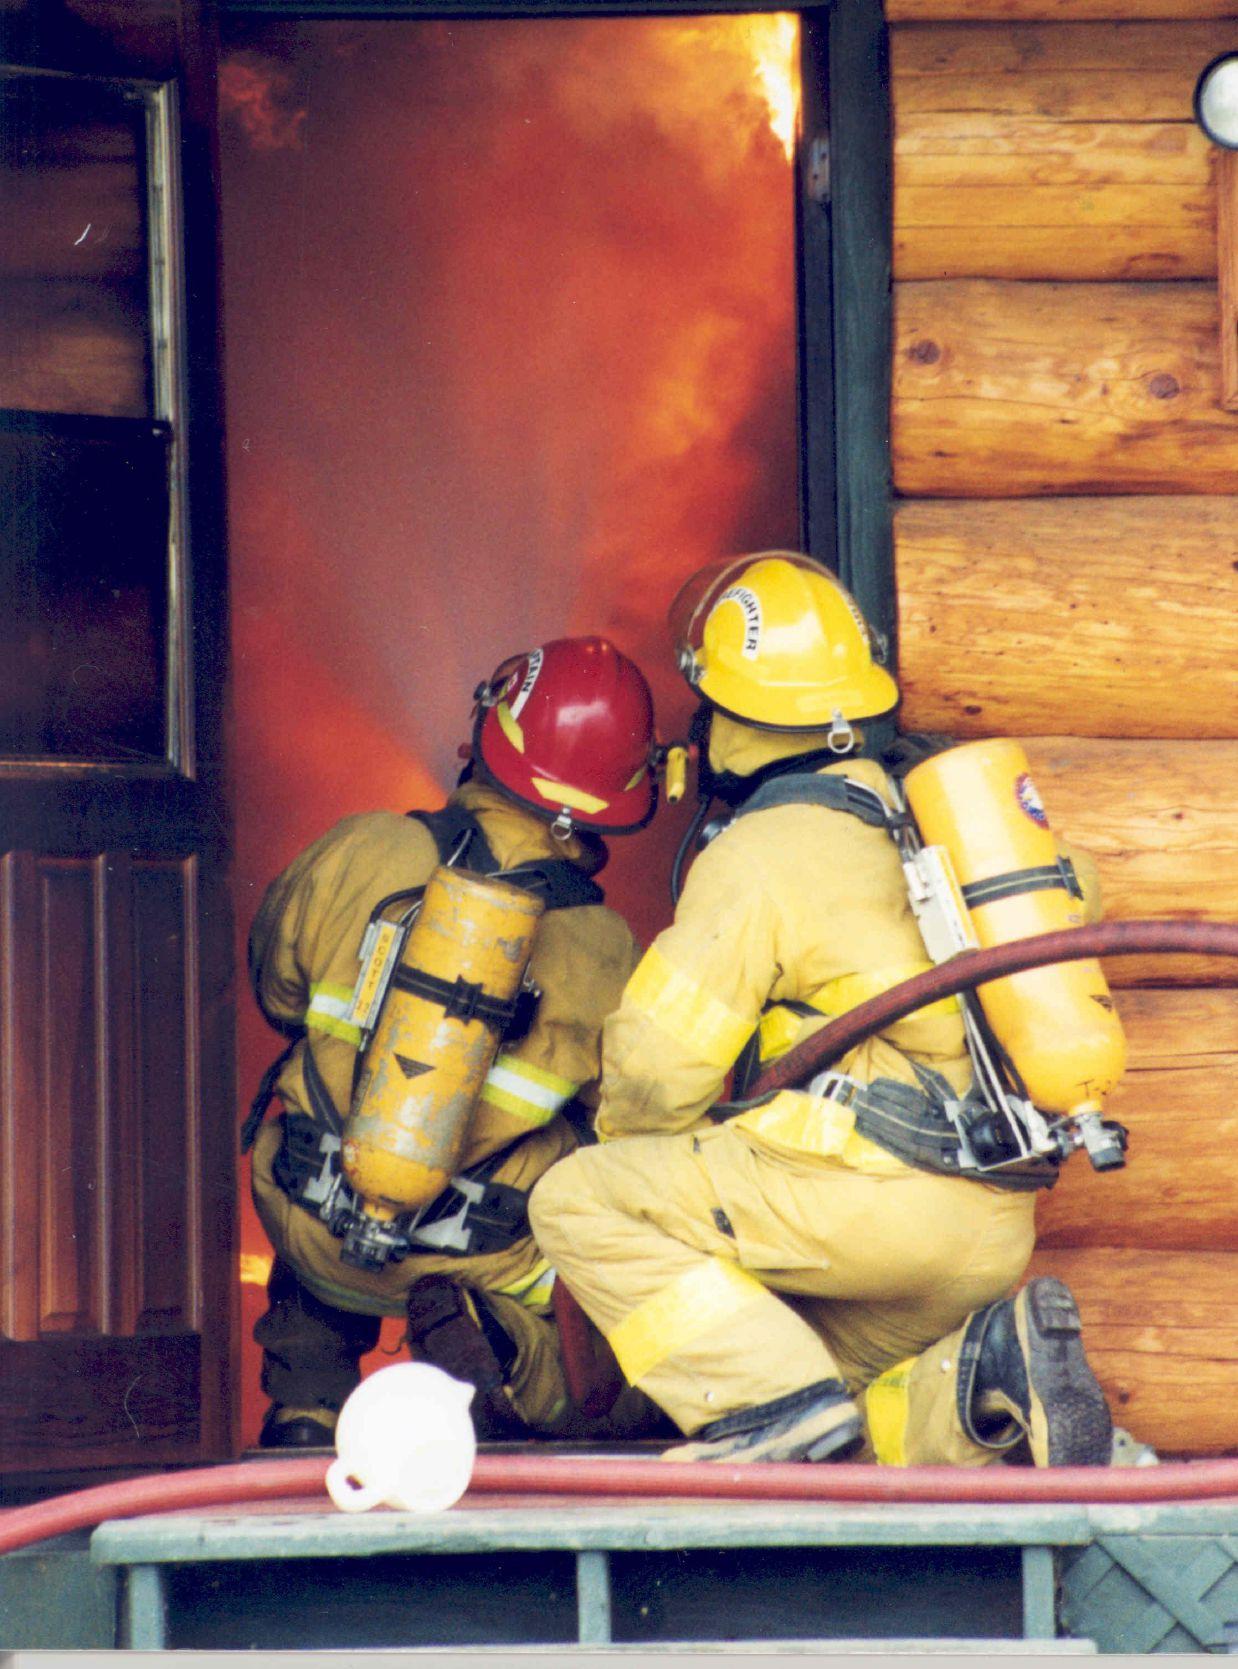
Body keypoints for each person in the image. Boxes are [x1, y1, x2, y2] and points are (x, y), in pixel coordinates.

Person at [529, 553, 1114, 1468]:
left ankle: (776, 1415)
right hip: (991, 1226)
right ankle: (985, 1371)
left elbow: (655, 1068)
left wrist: (644, 1166)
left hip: (865, 1204)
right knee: (803, 1366)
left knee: (577, 1199)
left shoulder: (763, 850)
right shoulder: (949, 828)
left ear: (729, 714)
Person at [245, 635, 663, 1448]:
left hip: (310, 1217)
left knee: (315, 1107)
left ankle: (306, 1406)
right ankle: (501, 1350)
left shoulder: (361, 847)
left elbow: (277, 993)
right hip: (482, 1257)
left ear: (490, 730)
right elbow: (638, 1120)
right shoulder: (609, 951)